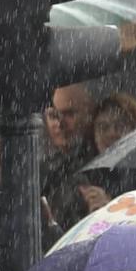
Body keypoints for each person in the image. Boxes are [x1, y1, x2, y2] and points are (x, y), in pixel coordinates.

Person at [42, 84, 97, 232]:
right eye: (53, 116)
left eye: (69, 114)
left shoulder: (101, 165)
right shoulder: (43, 170)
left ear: (88, 115)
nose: (60, 123)